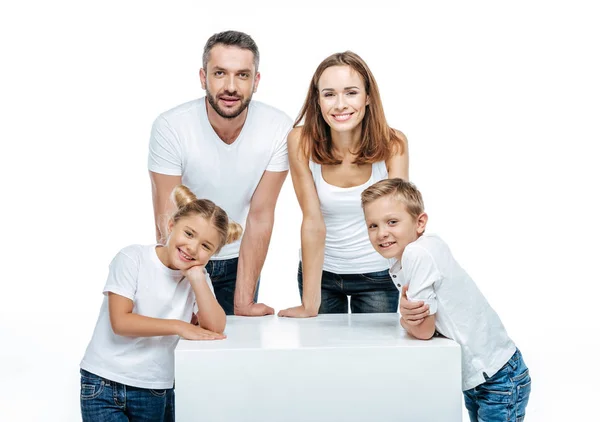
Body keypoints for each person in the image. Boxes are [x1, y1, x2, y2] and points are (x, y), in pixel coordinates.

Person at [361, 178, 531, 422]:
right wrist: (410, 316)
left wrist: (404, 321)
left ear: (420, 222)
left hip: (497, 378)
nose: (382, 233)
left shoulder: (417, 253)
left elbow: (423, 330)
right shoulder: (414, 250)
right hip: (485, 375)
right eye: (372, 225)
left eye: (392, 222)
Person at [148, 30, 292, 316]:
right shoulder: (171, 127)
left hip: (240, 261)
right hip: (182, 253)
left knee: (231, 353)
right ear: (203, 78)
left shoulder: (279, 128)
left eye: (242, 75)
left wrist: (243, 300)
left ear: (256, 81)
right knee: (182, 349)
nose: (230, 86)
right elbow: (167, 217)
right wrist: (185, 275)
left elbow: (261, 214)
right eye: (219, 73)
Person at [80, 185, 241, 422]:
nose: (193, 248)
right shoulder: (132, 258)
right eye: (189, 233)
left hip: (154, 387)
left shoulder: (198, 278)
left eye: (206, 246)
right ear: (171, 226)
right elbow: (121, 321)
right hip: (103, 381)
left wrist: (197, 277)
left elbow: (216, 326)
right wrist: (178, 326)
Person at [278, 51, 408, 318]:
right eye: (329, 94)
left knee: (373, 359)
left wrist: (414, 288)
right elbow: (313, 221)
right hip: (321, 277)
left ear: (368, 96)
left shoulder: (393, 144)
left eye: (351, 93)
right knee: (322, 358)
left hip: (378, 275)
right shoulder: (300, 141)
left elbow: (400, 222)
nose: (340, 104)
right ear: (317, 100)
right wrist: (309, 305)